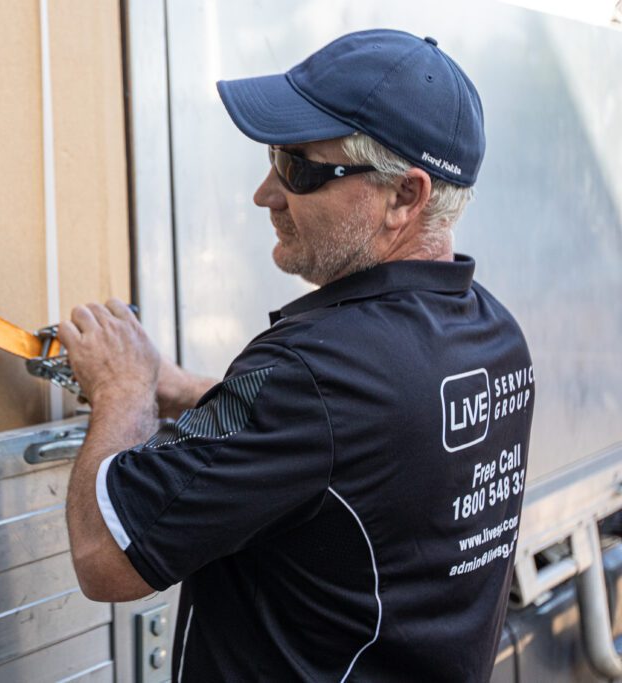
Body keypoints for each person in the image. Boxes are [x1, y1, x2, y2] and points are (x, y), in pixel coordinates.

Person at [59, 29, 534, 682]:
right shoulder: (495, 337)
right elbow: (352, 451)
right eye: (274, 157)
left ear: (405, 197)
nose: (266, 193)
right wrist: (177, 386)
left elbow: (105, 556)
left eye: (300, 169)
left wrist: (121, 389)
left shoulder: (312, 376)